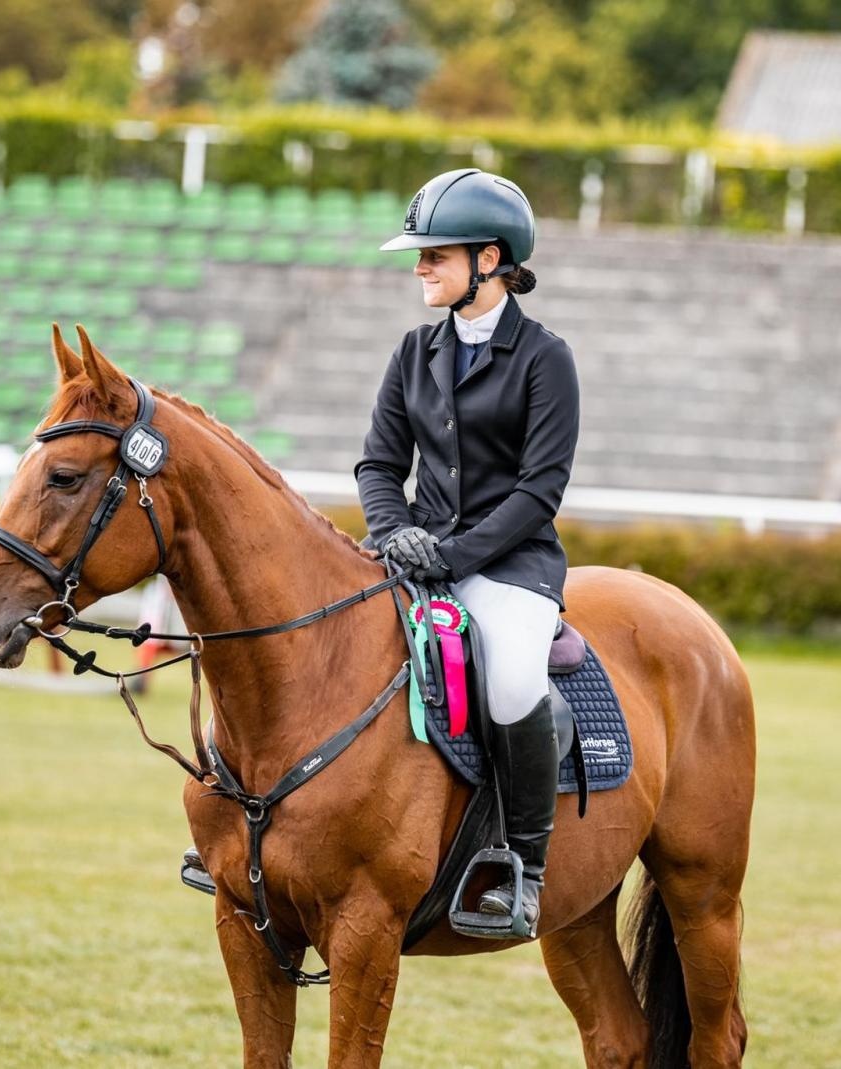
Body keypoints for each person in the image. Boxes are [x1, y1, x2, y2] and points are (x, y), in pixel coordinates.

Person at [355, 167, 580, 936]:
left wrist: (448, 557)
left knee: (513, 681)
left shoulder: (546, 359)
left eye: (435, 255)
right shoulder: (414, 352)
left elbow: (536, 495)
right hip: (412, 551)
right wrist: (393, 535)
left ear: (489, 258)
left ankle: (522, 866)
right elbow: (379, 466)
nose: (419, 267)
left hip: (509, 565)